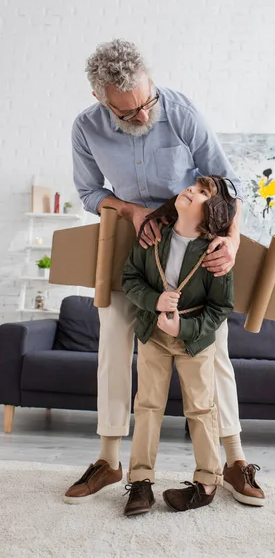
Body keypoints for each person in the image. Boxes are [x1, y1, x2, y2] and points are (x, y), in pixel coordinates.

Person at [64, 39, 264, 507]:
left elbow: (225, 182)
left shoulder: (179, 110)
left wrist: (231, 241)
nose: (143, 115)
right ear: (102, 100)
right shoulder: (85, 128)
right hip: (132, 245)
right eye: (129, 113)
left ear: (149, 83)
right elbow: (89, 192)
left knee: (214, 350)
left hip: (193, 244)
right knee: (114, 344)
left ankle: (233, 459)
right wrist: (132, 210)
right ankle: (110, 460)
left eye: (146, 102)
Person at [121, 176, 236, 516]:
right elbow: (130, 278)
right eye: (193, 186)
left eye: (203, 193)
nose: (191, 190)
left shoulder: (216, 254)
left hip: (195, 341)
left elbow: (221, 308)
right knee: (147, 406)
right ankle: (140, 482)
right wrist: (155, 300)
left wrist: (183, 326)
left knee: (201, 409)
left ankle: (206, 482)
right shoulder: (152, 238)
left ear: (212, 211)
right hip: (152, 333)